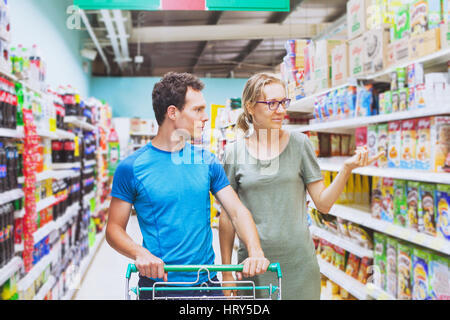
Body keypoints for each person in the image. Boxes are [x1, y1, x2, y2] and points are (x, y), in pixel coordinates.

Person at [219, 72, 384, 300]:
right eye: (272, 103)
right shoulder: (233, 153)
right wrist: (227, 271)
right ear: (249, 107)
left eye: (283, 102)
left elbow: (323, 204)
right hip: (253, 267)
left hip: (299, 264)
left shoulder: (300, 144)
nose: (281, 110)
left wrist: (346, 169)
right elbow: (227, 217)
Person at [106, 72, 270, 300]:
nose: (205, 117)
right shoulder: (132, 168)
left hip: (208, 284)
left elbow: (236, 211)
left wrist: (255, 251)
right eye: (198, 110)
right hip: (159, 286)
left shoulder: (207, 161)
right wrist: (139, 253)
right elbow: (114, 229)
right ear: (172, 112)